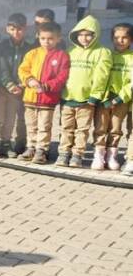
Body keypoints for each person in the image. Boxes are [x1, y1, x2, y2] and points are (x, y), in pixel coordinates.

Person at [56, 15, 111, 167]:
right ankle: (63, 153)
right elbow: (63, 73)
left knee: (82, 129)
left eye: (89, 35)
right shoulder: (70, 51)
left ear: (96, 34)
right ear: (76, 35)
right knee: (66, 127)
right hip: (68, 98)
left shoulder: (102, 52)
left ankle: (77, 155)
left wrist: (95, 96)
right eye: (81, 34)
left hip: (87, 100)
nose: (84, 38)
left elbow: (102, 76)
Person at [17, 22, 70, 164]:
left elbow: (62, 77)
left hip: (48, 99)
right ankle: (31, 147)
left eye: (51, 38)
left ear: (58, 38)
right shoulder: (32, 54)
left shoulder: (62, 56)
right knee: (31, 125)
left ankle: (42, 149)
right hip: (30, 97)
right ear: (38, 37)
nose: (46, 42)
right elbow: (23, 70)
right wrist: (29, 81)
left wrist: (47, 86)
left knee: (44, 126)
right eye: (43, 38)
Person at [0, 14, 30, 159]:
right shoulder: (1, 47)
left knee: (11, 118)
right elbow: (0, 69)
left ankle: (6, 143)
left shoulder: (29, 49)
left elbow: (27, 68)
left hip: (17, 91)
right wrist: (9, 84)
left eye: (19, 29)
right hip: (0, 88)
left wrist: (20, 84)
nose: (16, 32)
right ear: (7, 29)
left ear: (25, 29)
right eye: (12, 29)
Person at [96, 23, 133, 171]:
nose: (120, 41)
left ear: (131, 39)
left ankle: (111, 155)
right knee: (101, 126)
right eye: (116, 37)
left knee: (115, 128)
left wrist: (119, 98)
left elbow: (131, 83)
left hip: (122, 99)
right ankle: (98, 154)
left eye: (125, 37)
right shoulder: (107, 55)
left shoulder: (131, 58)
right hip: (105, 99)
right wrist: (104, 97)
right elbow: (101, 77)